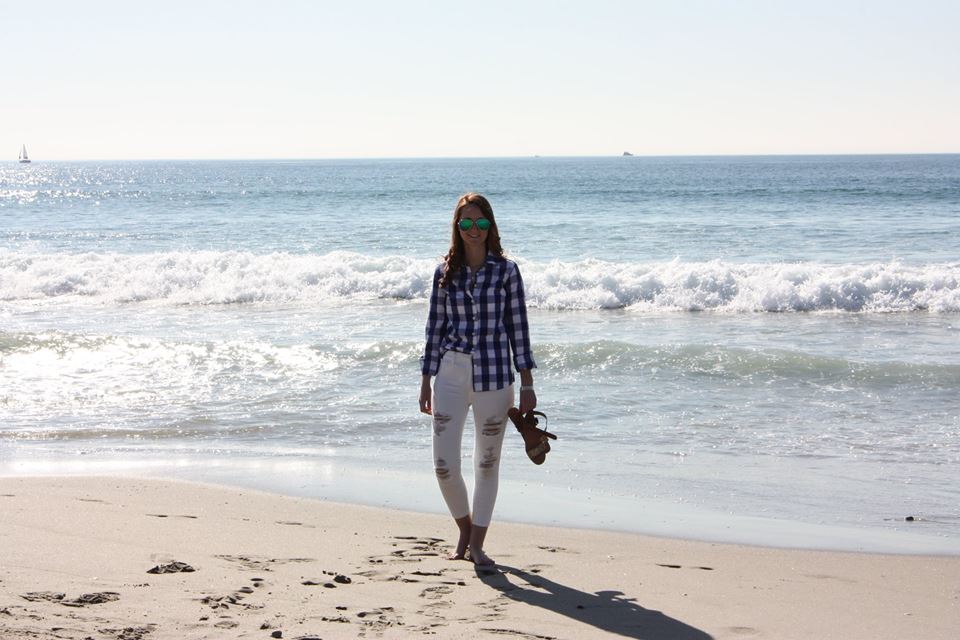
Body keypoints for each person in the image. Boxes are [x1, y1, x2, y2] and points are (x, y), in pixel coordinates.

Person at [419, 192, 537, 566]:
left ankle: (479, 544)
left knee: (487, 462)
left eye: (481, 222)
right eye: (466, 222)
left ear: (491, 226)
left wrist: (528, 383)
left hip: (495, 376)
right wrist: (425, 378)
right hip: (450, 373)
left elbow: (519, 328)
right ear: (457, 226)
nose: (474, 230)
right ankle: (464, 530)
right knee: (443, 465)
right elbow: (434, 328)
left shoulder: (506, 271)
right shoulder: (444, 273)